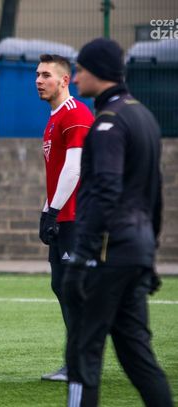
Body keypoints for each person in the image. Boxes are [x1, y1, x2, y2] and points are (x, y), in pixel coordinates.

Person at [64, 38, 173, 406]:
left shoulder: (108, 122)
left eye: (80, 70)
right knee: (137, 353)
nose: (75, 78)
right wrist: (149, 254)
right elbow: (154, 194)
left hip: (109, 254)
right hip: (136, 250)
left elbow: (105, 192)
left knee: (83, 350)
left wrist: (82, 256)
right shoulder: (143, 116)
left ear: (98, 72)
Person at [35, 54, 93, 382]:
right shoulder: (54, 117)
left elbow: (74, 168)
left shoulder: (75, 114)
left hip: (77, 218)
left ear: (64, 80)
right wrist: (47, 211)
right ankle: (77, 360)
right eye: (38, 75)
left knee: (75, 290)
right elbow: (57, 173)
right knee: (61, 286)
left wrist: (54, 211)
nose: (39, 81)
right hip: (62, 217)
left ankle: (80, 363)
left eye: (46, 75)